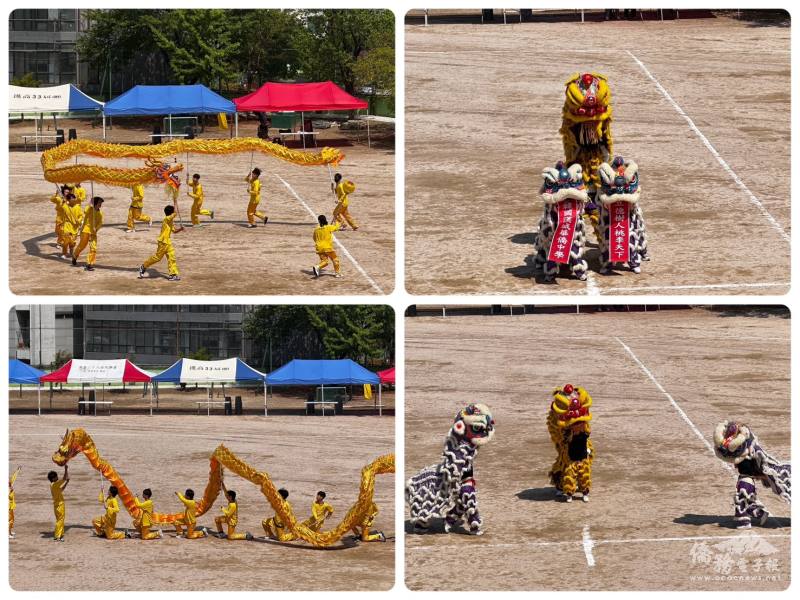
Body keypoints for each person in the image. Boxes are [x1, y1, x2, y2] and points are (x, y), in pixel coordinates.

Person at [138, 205, 184, 281]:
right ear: (171, 213)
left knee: (171, 257)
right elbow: (175, 214)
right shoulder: (166, 219)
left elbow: (174, 231)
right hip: (163, 242)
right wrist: (175, 202)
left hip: (168, 242)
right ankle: (144, 266)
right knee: (157, 258)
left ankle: (173, 274)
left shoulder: (170, 221)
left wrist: (181, 229)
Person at [214, 476, 252, 540]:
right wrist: (222, 483)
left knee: (231, 537)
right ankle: (221, 533)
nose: (226, 497)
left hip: (232, 521)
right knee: (217, 519)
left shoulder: (233, 505)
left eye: (227, 496)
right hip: (228, 518)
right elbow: (226, 492)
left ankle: (246, 535)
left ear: (231, 497)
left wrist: (223, 509)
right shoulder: (231, 500)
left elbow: (228, 514)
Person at [72, 196, 104, 271]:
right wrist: (90, 204)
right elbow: (85, 211)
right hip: (85, 231)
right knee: (82, 246)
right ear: (95, 203)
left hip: (93, 233)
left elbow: (100, 223)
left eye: (101, 203)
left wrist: (96, 229)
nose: (100, 204)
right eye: (99, 202)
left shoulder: (100, 213)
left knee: (93, 248)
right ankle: (75, 255)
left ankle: (89, 264)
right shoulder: (90, 209)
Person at [60, 192, 84, 260]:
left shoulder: (78, 207)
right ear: (68, 200)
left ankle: (71, 248)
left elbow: (81, 216)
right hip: (67, 225)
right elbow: (60, 207)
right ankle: (64, 253)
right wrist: (63, 202)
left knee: (72, 241)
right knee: (66, 241)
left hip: (75, 227)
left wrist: (79, 221)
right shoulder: (65, 206)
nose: (73, 199)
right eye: (71, 199)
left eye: (74, 198)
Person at [48, 466, 69, 541]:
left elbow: (61, 489)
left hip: (56, 505)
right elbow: (64, 478)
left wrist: (67, 482)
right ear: (53, 478)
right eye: (56, 476)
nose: (57, 477)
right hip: (60, 505)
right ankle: (58, 536)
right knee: (60, 520)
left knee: (59, 520)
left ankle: (59, 534)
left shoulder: (52, 485)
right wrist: (66, 469)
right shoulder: (55, 484)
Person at [9, 467, 20, 539]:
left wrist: (17, 470)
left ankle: (9, 531)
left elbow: (13, 477)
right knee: (9, 520)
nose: (9, 482)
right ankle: (8, 534)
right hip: (8, 508)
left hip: (11, 507)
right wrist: (10, 491)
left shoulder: (9, 485)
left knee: (12, 519)